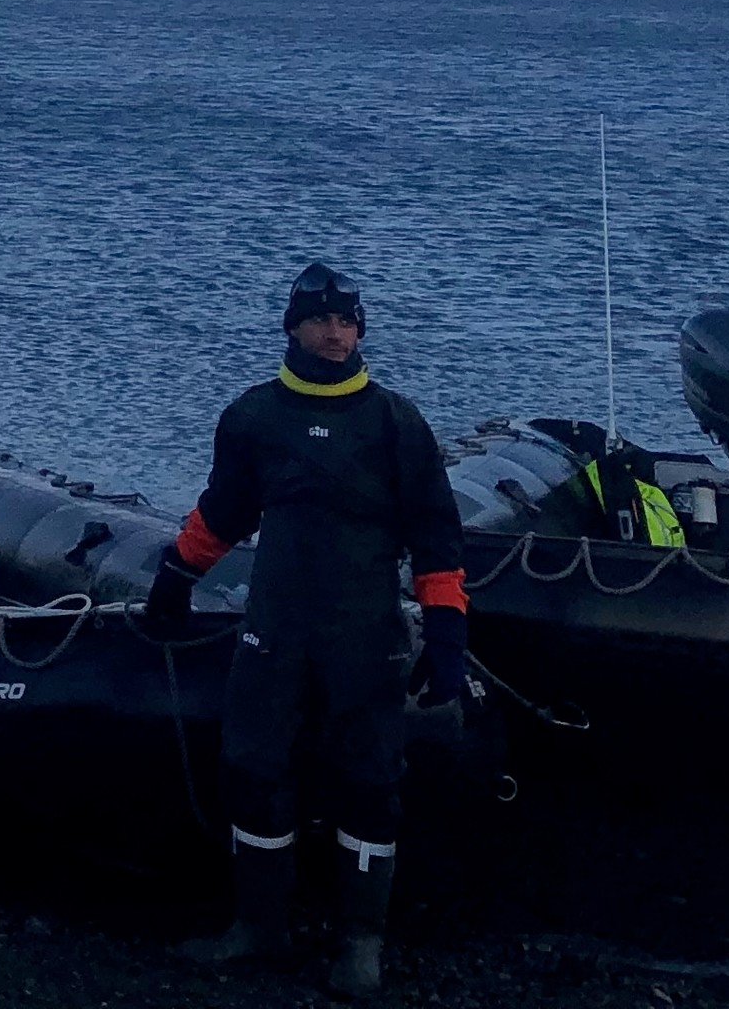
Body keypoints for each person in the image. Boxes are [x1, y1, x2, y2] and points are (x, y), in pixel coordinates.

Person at [149, 263, 468, 1000]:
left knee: (370, 784)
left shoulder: (396, 421)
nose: (335, 332)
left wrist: (447, 635)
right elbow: (223, 512)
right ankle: (259, 931)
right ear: (292, 327)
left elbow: (437, 536)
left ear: (361, 330)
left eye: (347, 320)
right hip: (274, 634)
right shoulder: (255, 417)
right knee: (252, 772)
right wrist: (175, 580)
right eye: (320, 319)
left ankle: (360, 946)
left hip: (367, 637)